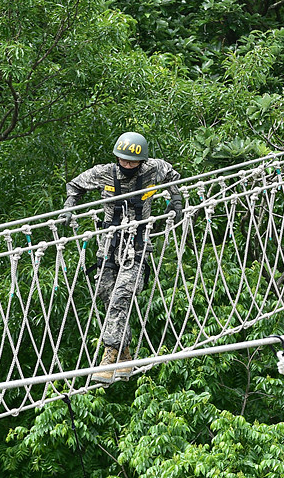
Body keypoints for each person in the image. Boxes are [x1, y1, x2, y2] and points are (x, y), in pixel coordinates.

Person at [61, 131, 183, 384]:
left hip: (137, 247)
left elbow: (172, 176)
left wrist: (176, 200)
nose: (127, 165)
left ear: (141, 161)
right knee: (105, 296)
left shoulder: (153, 170)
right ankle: (125, 357)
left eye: (132, 162)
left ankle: (109, 355)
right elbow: (75, 186)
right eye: (124, 161)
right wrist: (70, 206)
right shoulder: (103, 172)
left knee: (121, 297)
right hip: (109, 246)